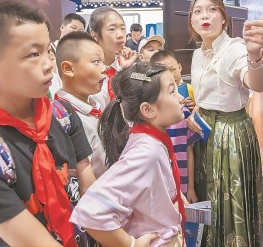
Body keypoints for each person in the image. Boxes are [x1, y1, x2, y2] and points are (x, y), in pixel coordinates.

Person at [0, 0, 95, 246]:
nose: (49, 65)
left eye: (48, 51)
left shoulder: (62, 115)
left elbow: (88, 188)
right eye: (33, 54)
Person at [186, 0, 263, 247]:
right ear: (191, 21)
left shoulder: (235, 48)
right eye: (197, 11)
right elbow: (203, 97)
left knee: (229, 201)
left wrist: (254, 55)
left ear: (224, 18)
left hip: (231, 135)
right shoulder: (197, 54)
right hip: (204, 134)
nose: (204, 15)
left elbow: (256, 84)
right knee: (207, 197)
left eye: (212, 9)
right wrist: (195, 111)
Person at [71, 62, 186, 246]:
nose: (181, 98)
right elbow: (89, 211)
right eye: (172, 91)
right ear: (148, 109)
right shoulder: (147, 152)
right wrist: (131, 244)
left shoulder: (151, 141)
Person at [55, 31, 108, 178]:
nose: (104, 68)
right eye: (96, 62)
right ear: (68, 69)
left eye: (103, 62)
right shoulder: (64, 118)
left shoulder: (95, 105)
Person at [151, 50, 200, 201]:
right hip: (161, 191)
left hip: (183, 185)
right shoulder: (151, 119)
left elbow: (189, 151)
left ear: (179, 67)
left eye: (173, 69)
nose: (171, 75)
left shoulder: (183, 114)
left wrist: (190, 188)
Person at [87, 7, 137, 110]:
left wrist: (126, 71)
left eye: (122, 28)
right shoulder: (87, 71)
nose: (120, 35)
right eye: (112, 29)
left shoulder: (127, 65)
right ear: (95, 35)